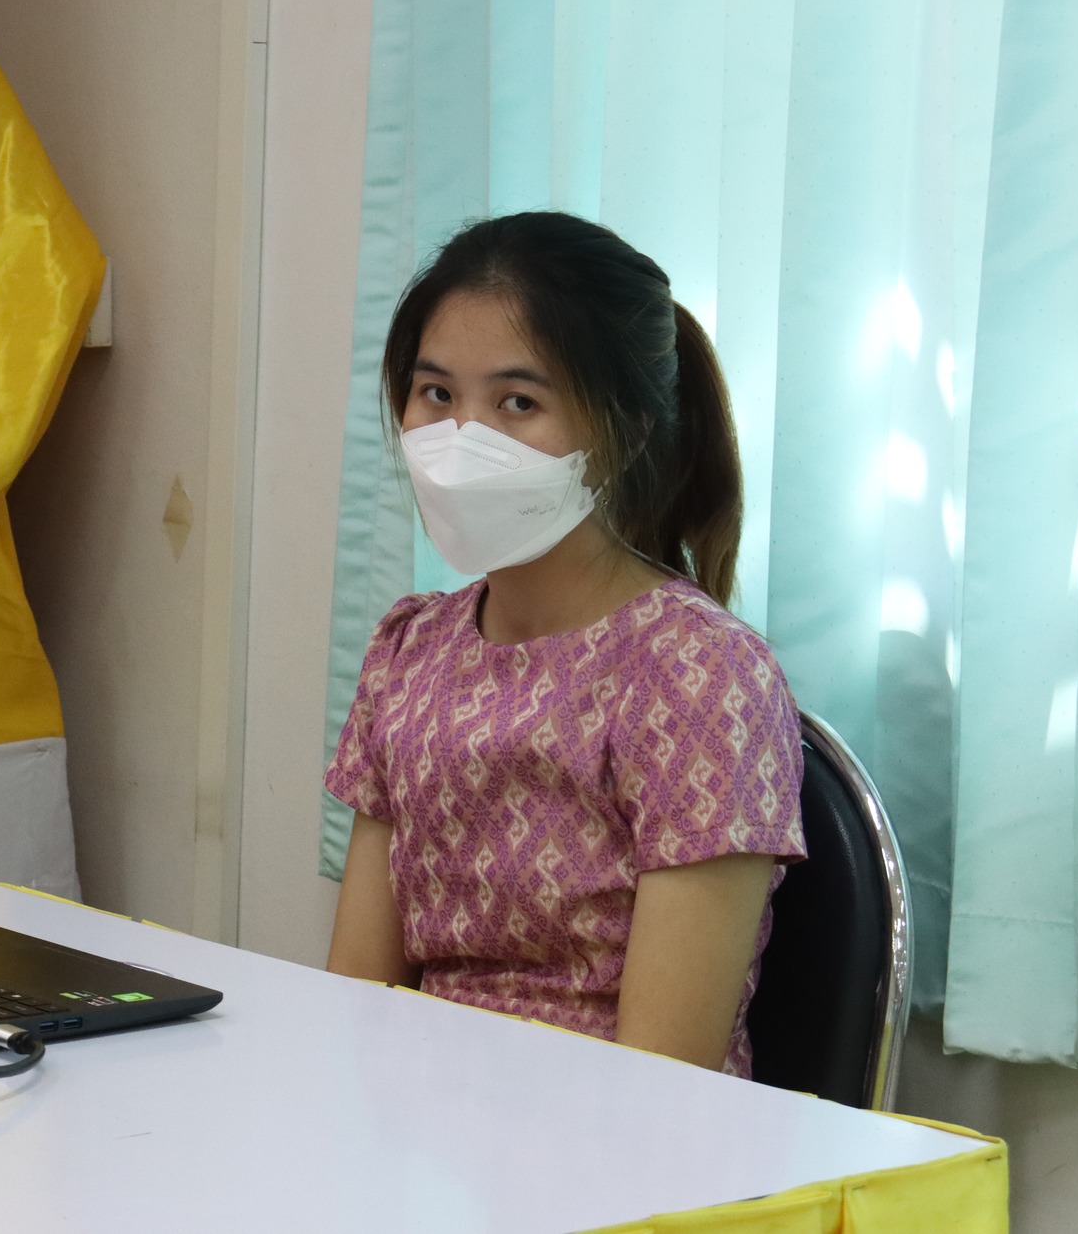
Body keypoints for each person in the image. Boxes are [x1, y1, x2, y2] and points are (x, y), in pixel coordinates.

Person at [324, 211, 805, 1076]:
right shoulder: (410, 649)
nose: (462, 441)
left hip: (614, 1135)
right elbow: (355, 1002)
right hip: (413, 1116)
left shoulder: (698, 674)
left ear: (625, 429)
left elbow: (663, 1074)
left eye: (518, 403)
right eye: (436, 394)